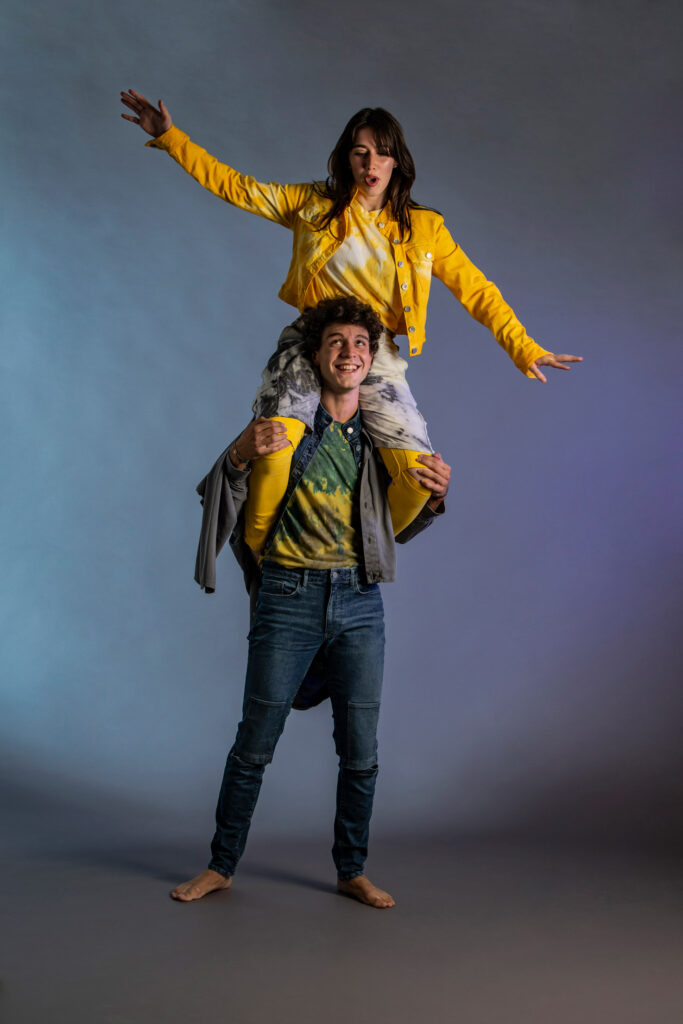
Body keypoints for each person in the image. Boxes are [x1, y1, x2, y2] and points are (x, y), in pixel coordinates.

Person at [119, 91, 582, 549]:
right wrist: (171, 138)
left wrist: (523, 346)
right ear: (347, 159)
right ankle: (264, 555)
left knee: (420, 478)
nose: (370, 164)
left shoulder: (424, 229)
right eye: (360, 153)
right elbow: (237, 187)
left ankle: (353, 557)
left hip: (373, 352)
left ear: (397, 161)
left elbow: (476, 290)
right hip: (310, 343)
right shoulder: (312, 204)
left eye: (382, 153)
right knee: (276, 447)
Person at [172, 295, 451, 908]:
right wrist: (240, 450)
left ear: (371, 358)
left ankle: (352, 870)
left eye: (360, 343)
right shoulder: (286, 425)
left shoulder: (385, 438)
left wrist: (434, 498)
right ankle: (220, 865)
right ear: (317, 355)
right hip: (288, 595)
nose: (349, 353)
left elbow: (395, 530)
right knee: (254, 743)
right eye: (336, 342)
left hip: (360, 600)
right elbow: (222, 491)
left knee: (361, 753)